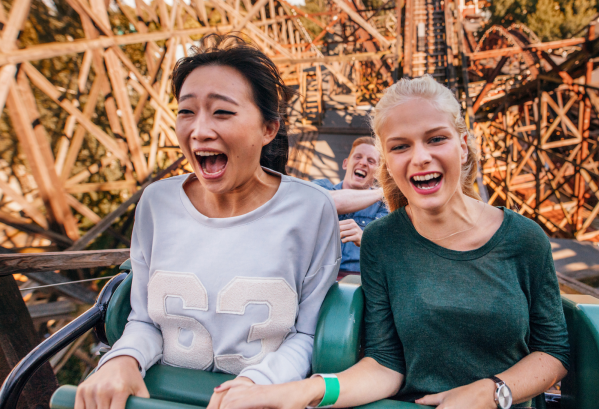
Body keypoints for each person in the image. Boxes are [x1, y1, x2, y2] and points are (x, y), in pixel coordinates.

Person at [208, 75, 570, 409]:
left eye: (436, 139)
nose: (420, 157)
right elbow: (386, 365)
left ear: (462, 145)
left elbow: (554, 352)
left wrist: (490, 391)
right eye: (400, 146)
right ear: (389, 162)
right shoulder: (383, 241)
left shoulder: (524, 238)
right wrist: (299, 391)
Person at [73, 34, 341, 409]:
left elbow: (309, 334)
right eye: (186, 112)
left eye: (222, 112)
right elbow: (146, 320)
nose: (199, 130)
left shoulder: (311, 210)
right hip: (163, 399)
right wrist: (123, 358)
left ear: (268, 128)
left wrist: (256, 385)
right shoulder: (156, 203)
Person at [313, 137, 388, 276]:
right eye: (358, 157)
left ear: (378, 173)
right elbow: (330, 201)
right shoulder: (321, 186)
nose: (363, 162)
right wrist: (384, 191)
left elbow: (387, 253)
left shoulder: (383, 207)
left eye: (371, 161)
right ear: (345, 163)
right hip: (315, 279)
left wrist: (366, 241)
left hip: (357, 282)